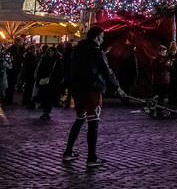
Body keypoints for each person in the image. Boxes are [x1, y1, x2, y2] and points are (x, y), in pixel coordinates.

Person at [63, 26, 126, 167]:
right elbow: (107, 71)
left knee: (79, 119)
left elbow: (69, 68)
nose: (103, 39)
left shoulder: (77, 51)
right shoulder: (97, 52)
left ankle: (68, 151)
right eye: (102, 37)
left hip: (78, 89)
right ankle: (92, 156)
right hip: (92, 89)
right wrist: (118, 88)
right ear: (97, 37)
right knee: (93, 122)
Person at [34, 45, 64, 121]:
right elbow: (40, 70)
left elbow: (60, 73)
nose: (50, 52)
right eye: (49, 51)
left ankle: (46, 112)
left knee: (49, 98)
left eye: (52, 51)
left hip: (52, 83)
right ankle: (45, 111)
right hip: (44, 82)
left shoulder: (57, 61)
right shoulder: (44, 59)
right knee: (45, 98)